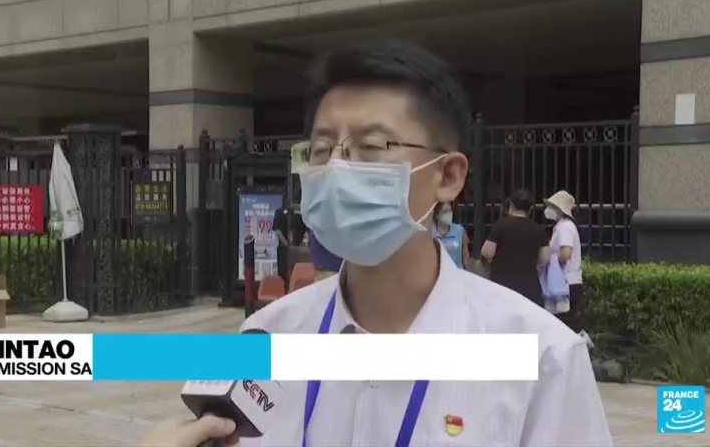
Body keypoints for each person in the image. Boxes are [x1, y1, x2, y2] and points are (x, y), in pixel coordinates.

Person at [144, 40, 611, 447]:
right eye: (322, 150)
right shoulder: (264, 338)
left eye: (371, 147)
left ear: (448, 176)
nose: (338, 169)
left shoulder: (543, 358)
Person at [480, 189, 550, 306]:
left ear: (511, 205)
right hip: (529, 286)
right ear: (531, 209)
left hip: (501, 285)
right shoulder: (538, 229)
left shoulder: (500, 225)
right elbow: (545, 258)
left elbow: (487, 252)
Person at [544, 190, 585, 334]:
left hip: (567, 282)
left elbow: (566, 253)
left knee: (567, 324)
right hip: (568, 281)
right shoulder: (564, 226)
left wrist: (551, 260)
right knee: (567, 323)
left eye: (553, 207)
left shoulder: (565, 227)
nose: (548, 210)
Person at [431, 202, 469, 269]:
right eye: (445, 211)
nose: (449, 214)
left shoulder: (460, 230)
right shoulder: (430, 232)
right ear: (437, 215)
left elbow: (465, 256)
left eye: (450, 210)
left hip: (456, 272)